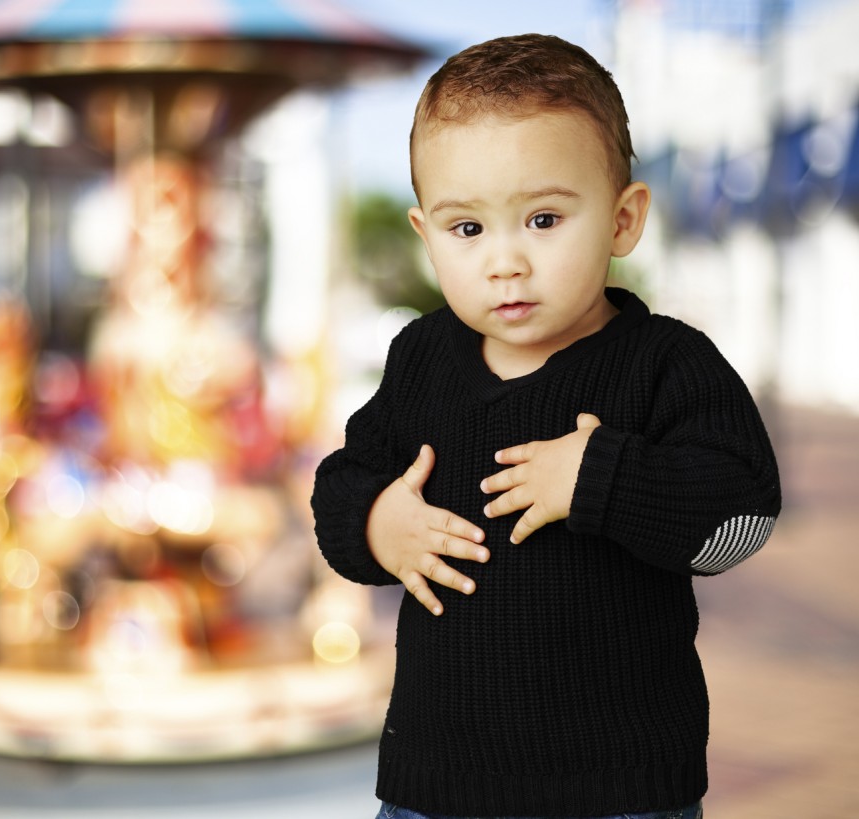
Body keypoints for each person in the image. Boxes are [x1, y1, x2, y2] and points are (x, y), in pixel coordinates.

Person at [310, 33, 781, 819]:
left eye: (543, 219)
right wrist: (375, 522)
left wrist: (603, 477)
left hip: (620, 791)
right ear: (427, 237)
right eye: (469, 230)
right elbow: (338, 487)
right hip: (436, 787)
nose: (506, 262)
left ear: (623, 220)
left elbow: (741, 517)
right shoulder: (421, 358)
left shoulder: (663, 363)